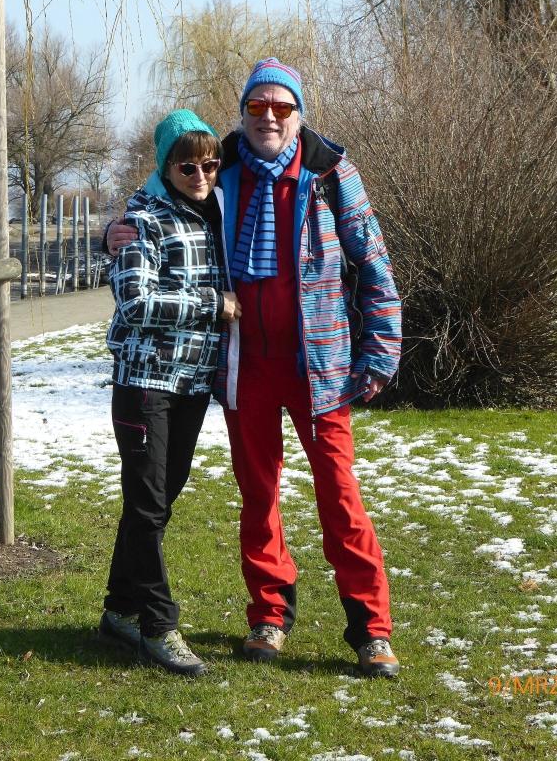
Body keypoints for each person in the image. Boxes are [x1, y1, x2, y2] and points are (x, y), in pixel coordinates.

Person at [107, 59, 403, 678]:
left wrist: (380, 352)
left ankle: (371, 629)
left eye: (281, 107)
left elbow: (374, 265)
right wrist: (114, 229)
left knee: (340, 495)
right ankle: (270, 613)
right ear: (242, 112)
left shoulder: (330, 174)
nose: (269, 117)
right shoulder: (224, 170)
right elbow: (163, 193)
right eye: (257, 106)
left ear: (298, 115)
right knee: (259, 495)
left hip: (318, 367)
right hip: (245, 366)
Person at [99, 109, 241, 678]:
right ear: (166, 167)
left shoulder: (217, 215)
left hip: (192, 385)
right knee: (148, 504)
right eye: (187, 166)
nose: (201, 175)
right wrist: (213, 304)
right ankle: (158, 625)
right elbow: (135, 301)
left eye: (210, 164)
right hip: (145, 385)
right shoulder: (141, 221)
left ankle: (119, 610)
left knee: (155, 503)